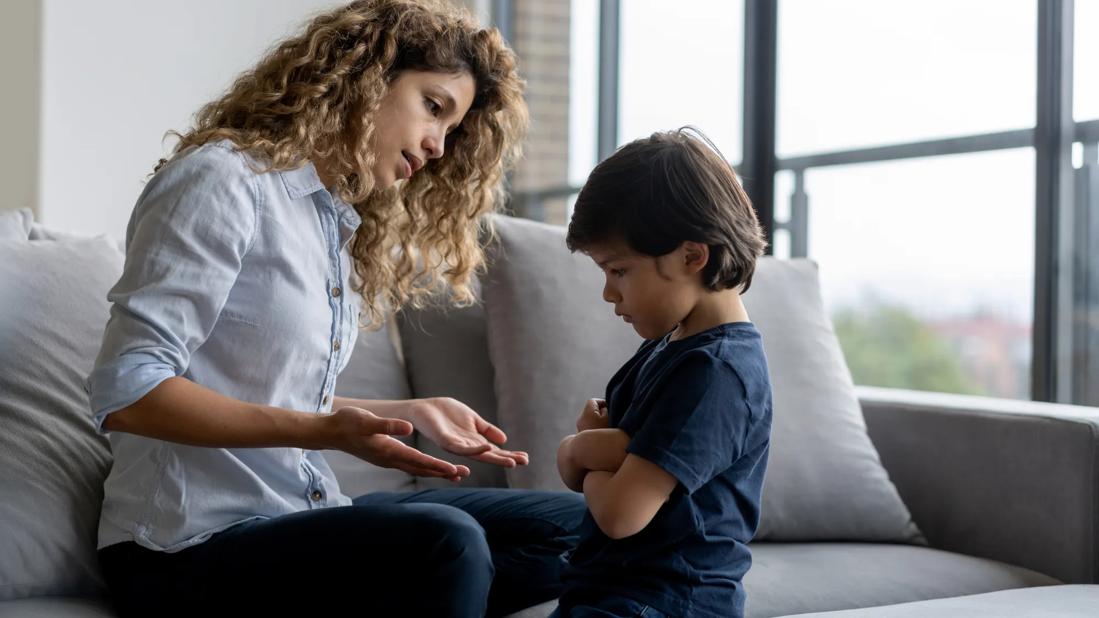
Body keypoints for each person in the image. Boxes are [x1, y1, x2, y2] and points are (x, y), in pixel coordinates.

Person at [86, 1, 584, 616]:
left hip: (299, 514)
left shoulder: (333, 221)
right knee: (449, 547)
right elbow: (129, 390)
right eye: (434, 107)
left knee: (584, 528)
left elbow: (261, 388)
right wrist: (326, 431)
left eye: (451, 132)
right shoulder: (223, 181)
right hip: (182, 547)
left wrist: (403, 412)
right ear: (366, 75)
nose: (436, 145)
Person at [553, 128, 773, 618]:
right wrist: (602, 454)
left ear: (692, 256)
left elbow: (618, 513)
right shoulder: (669, 345)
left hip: (667, 603)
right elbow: (601, 469)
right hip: (615, 591)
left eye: (619, 271)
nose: (609, 293)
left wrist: (579, 447)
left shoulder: (717, 375)